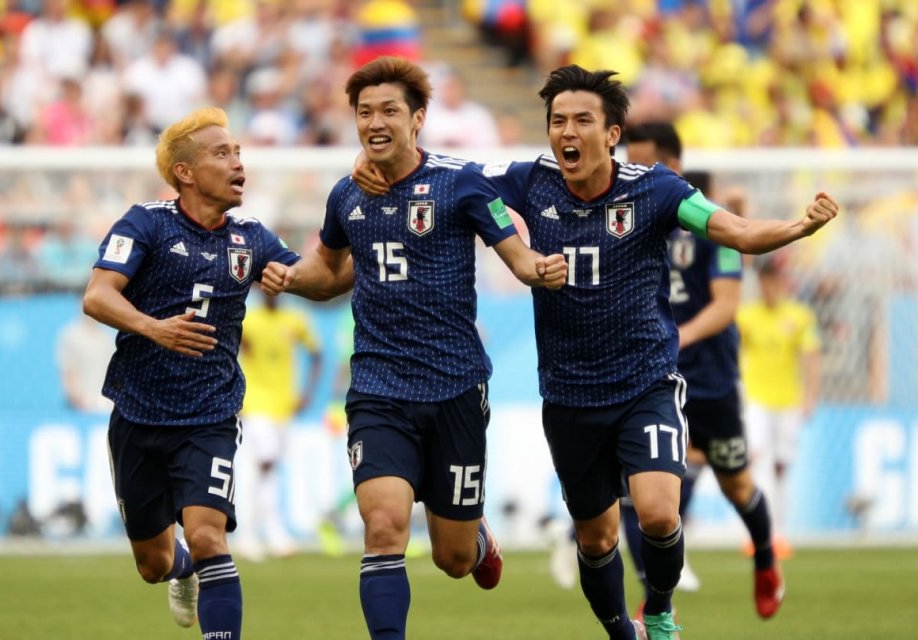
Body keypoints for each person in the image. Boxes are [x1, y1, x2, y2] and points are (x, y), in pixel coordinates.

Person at [355, 66, 838, 640]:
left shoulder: (655, 189)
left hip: (646, 383)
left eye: (582, 120)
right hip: (569, 396)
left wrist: (797, 227)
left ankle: (658, 610)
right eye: (558, 120)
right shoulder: (529, 181)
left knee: (660, 511)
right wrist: (377, 164)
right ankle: (620, 631)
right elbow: (444, 174)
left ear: (612, 134)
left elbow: (733, 231)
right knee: (595, 537)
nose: (567, 132)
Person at [261, 56, 568, 640]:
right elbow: (326, 272)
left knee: (452, 558)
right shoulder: (346, 195)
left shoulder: (461, 182)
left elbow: (516, 252)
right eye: (364, 112)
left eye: (389, 111)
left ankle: (474, 539)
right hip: (377, 388)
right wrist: (285, 276)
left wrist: (539, 269)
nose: (375, 122)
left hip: (454, 385)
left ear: (419, 117)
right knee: (383, 527)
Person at [83, 106, 330, 638]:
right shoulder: (144, 222)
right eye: (223, 153)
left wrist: (316, 261)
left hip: (211, 415)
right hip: (139, 413)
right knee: (153, 562)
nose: (238, 161)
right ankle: (181, 569)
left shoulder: (251, 237)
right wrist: (156, 328)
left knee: (208, 535)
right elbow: (97, 297)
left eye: (238, 151)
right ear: (185, 173)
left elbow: (317, 279)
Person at [622, 121, 783, 619]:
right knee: (646, 493)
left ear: (672, 167)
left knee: (737, 485)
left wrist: (678, 337)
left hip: (708, 380)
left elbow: (727, 305)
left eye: (644, 164)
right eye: (629, 163)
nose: (633, 174)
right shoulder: (623, 222)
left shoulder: (711, 224)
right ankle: (657, 599)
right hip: (651, 378)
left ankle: (765, 558)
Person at [737, 257, 822, 558]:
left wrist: (810, 396)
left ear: (783, 282)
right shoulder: (747, 316)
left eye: (774, 280)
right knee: (758, 459)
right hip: (756, 399)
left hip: (788, 401)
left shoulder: (799, 316)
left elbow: (811, 358)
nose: (769, 286)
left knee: (781, 466)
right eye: (765, 280)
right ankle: (759, 533)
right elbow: (735, 354)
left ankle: (779, 532)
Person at [236, 288, 323, 558]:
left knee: (269, 469)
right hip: (256, 403)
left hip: (283, 405)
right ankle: (253, 533)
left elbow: (316, 354)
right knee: (263, 463)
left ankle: (268, 532)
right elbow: (231, 345)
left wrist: (307, 393)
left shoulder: (294, 319)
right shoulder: (248, 319)